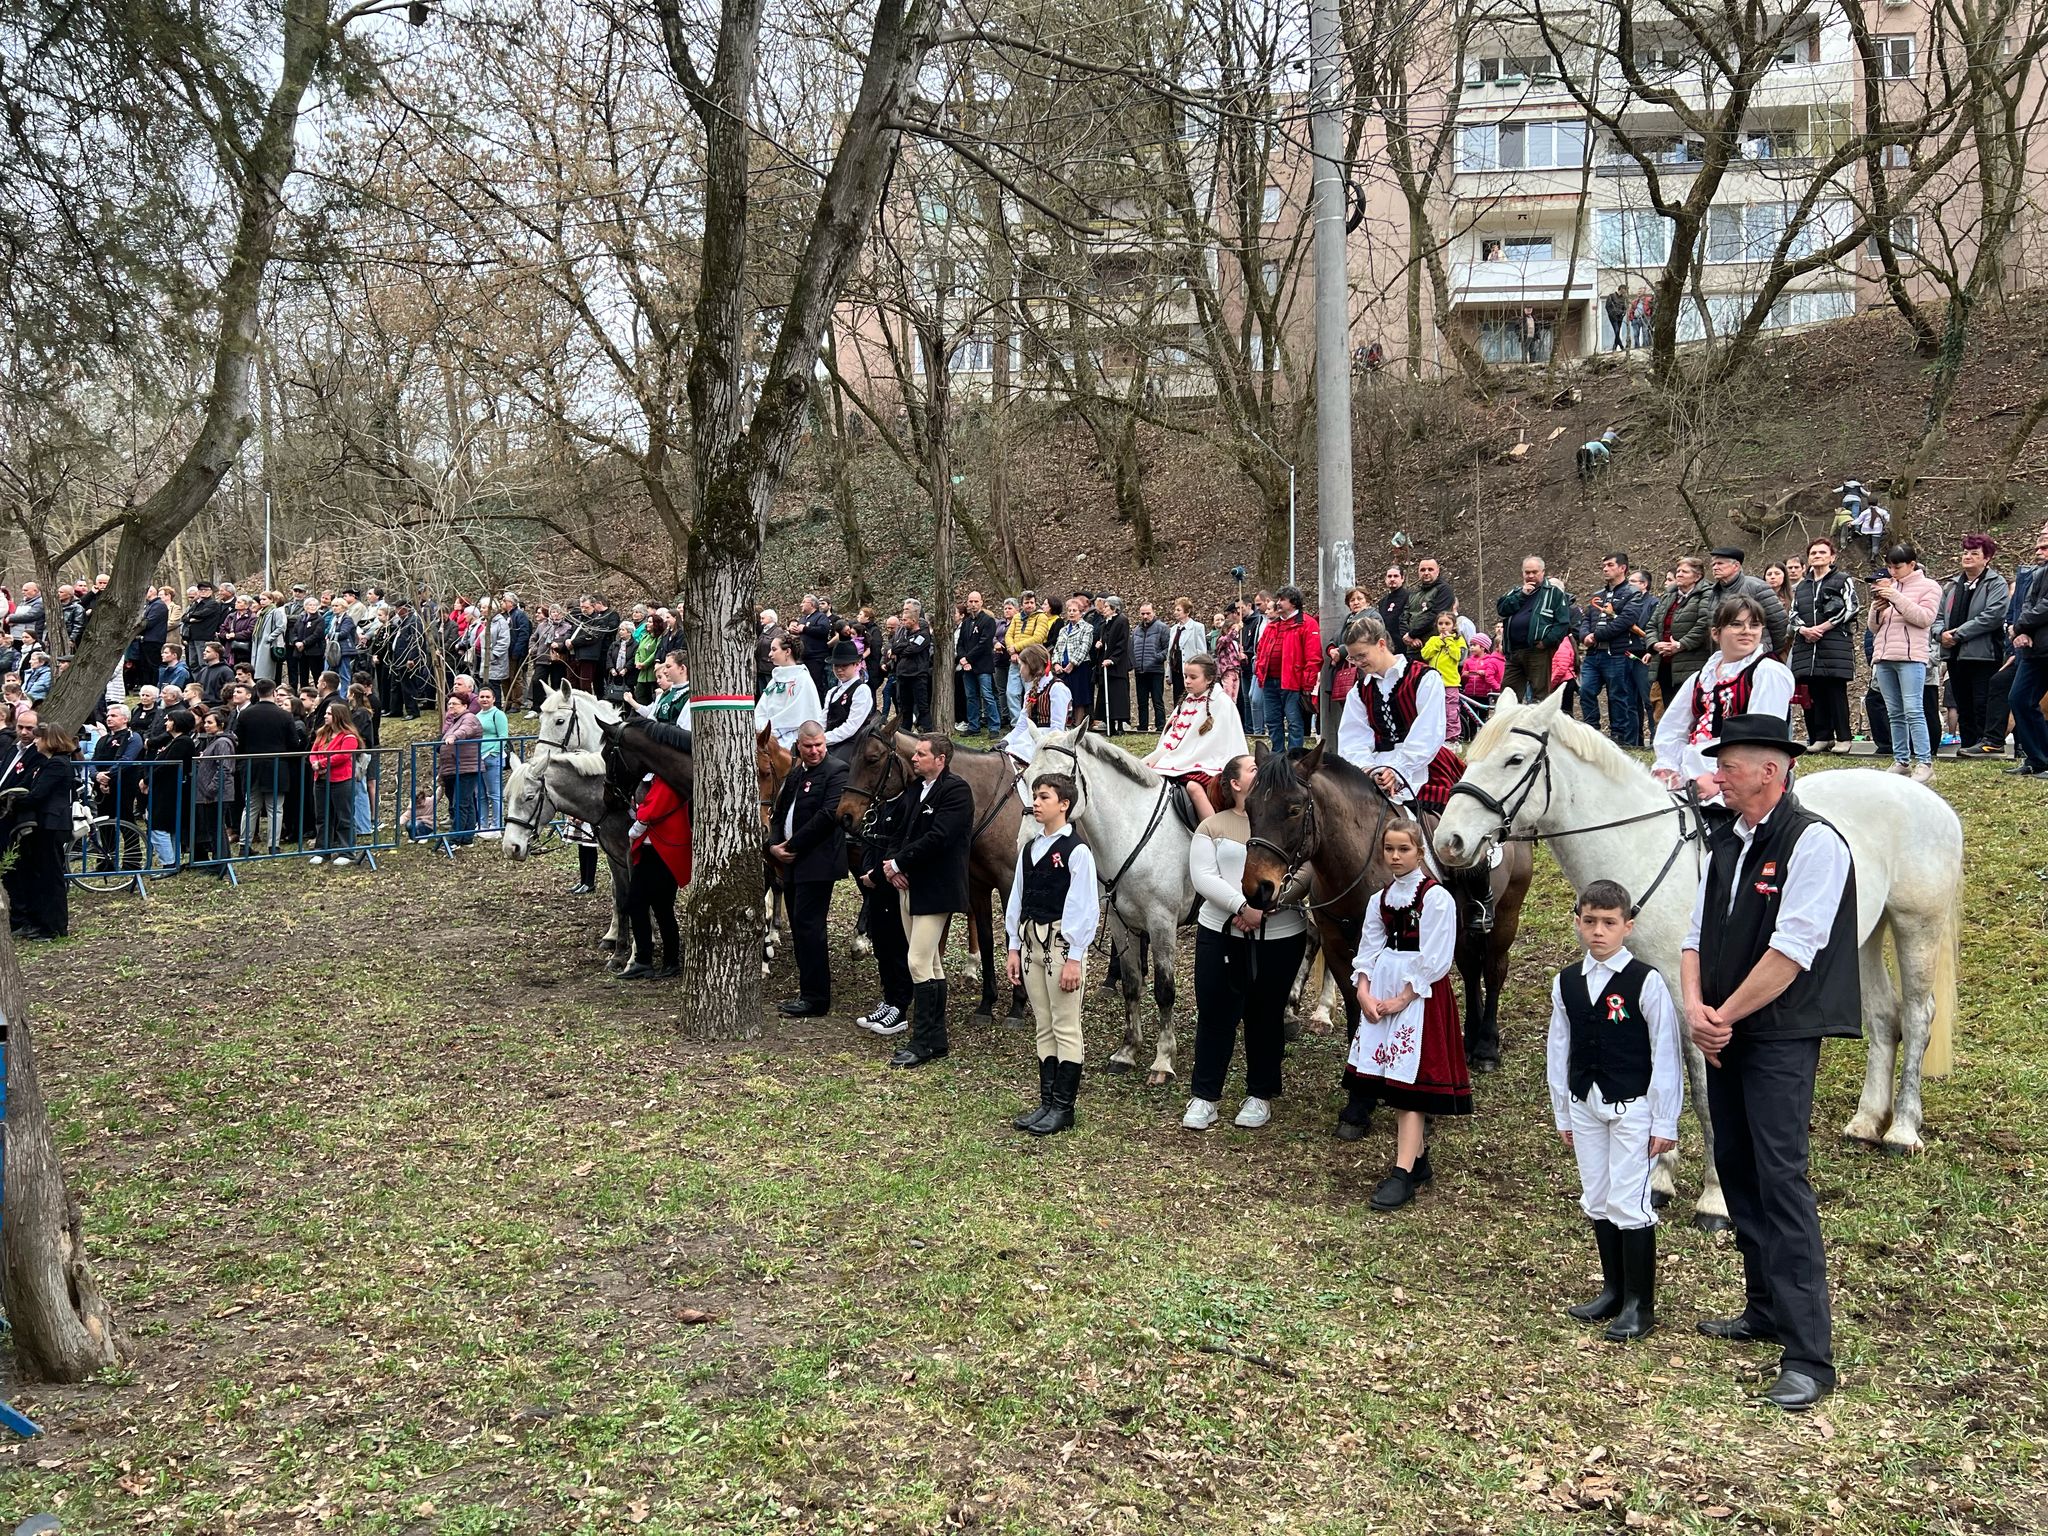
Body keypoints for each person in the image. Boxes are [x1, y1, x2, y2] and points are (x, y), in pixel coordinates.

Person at [1682, 714, 1859, 1412]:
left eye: (1728, 765)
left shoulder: (1814, 842)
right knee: (1738, 1168)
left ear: (1769, 772)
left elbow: (1792, 953)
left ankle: (1810, 1357)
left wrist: (1721, 1017)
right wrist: (1697, 1006)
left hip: (1778, 1035)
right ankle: (1763, 1308)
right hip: (1723, 1031)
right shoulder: (1725, 839)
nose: (1716, 775)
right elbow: (1696, 933)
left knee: (1782, 1179)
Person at [1545, 879, 1683, 1342]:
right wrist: (1563, 1111)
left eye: (1609, 923)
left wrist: (1665, 1119)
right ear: (1578, 922)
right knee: (1599, 1195)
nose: (1598, 932)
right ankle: (1613, 1289)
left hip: (1633, 1106)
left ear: (1628, 926)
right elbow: (1558, 1049)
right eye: (1590, 922)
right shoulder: (1566, 982)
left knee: (1630, 1199)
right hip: (1586, 1102)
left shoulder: (1646, 981)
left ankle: (1639, 1305)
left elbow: (1665, 1050)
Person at [1182, 753, 1311, 1132]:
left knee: (1266, 1015)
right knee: (1215, 1014)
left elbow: (1307, 870)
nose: (1262, 770)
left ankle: (1260, 1093)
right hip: (1221, 934)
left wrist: (1272, 904)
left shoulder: (1289, 822)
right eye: (1253, 768)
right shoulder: (1213, 825)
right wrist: (1242, 906)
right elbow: (1202, 875)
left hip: (1281, 935)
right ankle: (1205, 1096)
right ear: (1235, 783)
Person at [1347, 818, 1467, 1212]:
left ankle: (1402, 1174)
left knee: (1409, 1087)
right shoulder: (1379, 899)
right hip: (1383, 991)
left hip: (1420, 997)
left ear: (1419, 852)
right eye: (1389, 849)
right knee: (1396, 1081)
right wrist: (1364, 991)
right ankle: (1417, 1162)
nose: (1395, 857)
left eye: (1404, 849)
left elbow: (1436, 958)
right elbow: (1368, 947)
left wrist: (1402, 998)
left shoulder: (1435, 898)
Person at [1004, 772, 1099, 1136]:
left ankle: (1064, 1107)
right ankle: (1047, 1102)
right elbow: (1018, 899)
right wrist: (1013, 946)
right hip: (1031, 942)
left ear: (1064, 804)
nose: (1037, 802)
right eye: (1036, 796)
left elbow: (1084, 906)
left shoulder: (1077, 851)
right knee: (1044, 1023)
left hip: (1061, 942)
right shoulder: (1030, 848)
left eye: (1044, 797)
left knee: (1065, 1023)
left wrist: (1075, 956)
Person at [879, 734, 974, 1068]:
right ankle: (936, 1039)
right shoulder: (914, 791)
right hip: (909, 886)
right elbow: (897, 832)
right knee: (931, 963)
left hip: (937, 888)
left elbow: (940, 837)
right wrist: (891, 866)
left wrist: (900, 863)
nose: (914, 758)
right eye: (915, 753)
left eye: (921, 754)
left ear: (941, 759)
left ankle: (921, 1041)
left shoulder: (956, 791)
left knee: (917, 962)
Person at [1653, 595, 1794, 803]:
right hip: (1692, 774)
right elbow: (1672, 727)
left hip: (1743, 780)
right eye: (1736, 625)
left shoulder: (1768, 672)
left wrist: (1721, 777)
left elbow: (1760, 739)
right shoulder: (1701, 677)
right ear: (1716, 633)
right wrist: (1668, 767)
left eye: (1754, 625)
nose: (1747, 631)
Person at [1334, 611, 1463, 814]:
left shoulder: (1424, 678)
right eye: (1353, 657)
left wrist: (1399, 770)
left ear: (1382, 644)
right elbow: (1353, 739)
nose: (1358, 662)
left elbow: (1428, 731)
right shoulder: (1359, 692)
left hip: (1425, 765)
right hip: (1378, 767)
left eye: (1362, 655)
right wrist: (1368, 769)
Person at [765, 722, 849, 1017]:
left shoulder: (837, 771)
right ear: (798, 746)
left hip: (818, 863)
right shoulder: (797, 772)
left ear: (825, 743)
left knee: (810, 928)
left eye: (819, 746)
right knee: (799, 929)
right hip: (790, 863)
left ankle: (816, 998)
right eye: (808, 746)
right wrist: (773, 845)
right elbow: (780, 810)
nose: (814, 751)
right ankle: (807, 989)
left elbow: (828, 816)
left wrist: (793, 845)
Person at [1865, 541, 1942, 782]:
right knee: (1894, 711)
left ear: (1912, 564)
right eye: (1889, 567)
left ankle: (1924, 762)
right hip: (1885, 655)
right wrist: (1877, 608)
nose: (1893, 572)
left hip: (1911, 657)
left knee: (1913, 709)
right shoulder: (1889, 586)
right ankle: (1901, 760)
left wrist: (1896, 597)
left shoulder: (1929, 587)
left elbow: (1924, 618)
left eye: (1897, 567)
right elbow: (1874, 627)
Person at [1143, 655, 1249, 822]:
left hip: (1214, 765)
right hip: (1185, 761)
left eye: (1193, 677)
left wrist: (1185, 758)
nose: (1187, 681)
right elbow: (1174, 738)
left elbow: (1214, 744)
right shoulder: (1187, 701)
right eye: (1185, 676)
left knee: (1194, 787)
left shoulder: (1221, 703)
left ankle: (1214, 832)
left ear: (1209, 679)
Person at [3, 724, 79, 939]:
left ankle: (54, 927)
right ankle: (40, 922)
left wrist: (15, 801)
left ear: (48, 739)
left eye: (38, 739)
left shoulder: (57, 764)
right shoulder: (45, 764)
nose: (35, 742)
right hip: (43, 826)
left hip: (51, 825)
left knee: (50, 875)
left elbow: (37, 795)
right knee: (39, 874)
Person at [1937, 534, 2010, 756]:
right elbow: (1939, 615)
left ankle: (1984, 743)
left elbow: (1993, 616)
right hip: (1954, 655)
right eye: (1966, 552)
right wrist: (1940, 634)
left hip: (1983, 654)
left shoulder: (1995, 583)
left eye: (1974, 553)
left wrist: (1958, 634)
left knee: (1982, 702)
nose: (1967, 557)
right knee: (1962, 703)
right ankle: (1967, 744)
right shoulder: (1952, 585)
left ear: (1986, 558)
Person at [1787, 538, 1858, 750]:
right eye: (1813, 553)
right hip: (1808, 646)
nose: (1817, 556)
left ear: (1832, 557)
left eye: (1822, 552)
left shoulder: (1842, 579)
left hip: (1834, 644)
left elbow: (1852, 607)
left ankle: (1844, 737)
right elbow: (1793, 613)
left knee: (1835, 691)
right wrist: (1804, 630)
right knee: (1815, 692)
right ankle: (1822, 736)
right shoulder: (1802, 586)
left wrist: (1826, 626)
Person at [620, 772, 690, 979]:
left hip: (660, 853)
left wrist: (634, 829)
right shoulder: (663, 781)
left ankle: (649, 960)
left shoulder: (668, 782)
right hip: (657, 851)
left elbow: (650, 812)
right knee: (660, 908)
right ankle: (662, 960)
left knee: (642, 904)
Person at [1578, 551, 1648, 746]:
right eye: (1604, 566)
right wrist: (1584, 636)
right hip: (1593, 655)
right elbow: (1586, 619)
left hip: (1617, 654)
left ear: (1622, 568)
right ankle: (1591, 731)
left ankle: (1620, 738)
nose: (1605, 569)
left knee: (1618, 695)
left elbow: (1627, 620)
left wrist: (1597, 635)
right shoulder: (1597, 595)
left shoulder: (1632, 593)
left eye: (1610, 565)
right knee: (1586, 690)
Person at [1496, 556, 1573, 700]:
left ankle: (1538, 723)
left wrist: (1546, 642)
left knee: (1539, 696)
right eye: (1527, 572)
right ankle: (1510, 722)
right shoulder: (1516, 592)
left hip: (1537, 652)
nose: (1530, 576)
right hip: (1514, 652)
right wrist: (1521, 595)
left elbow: (1562, 623)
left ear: (1543, 572)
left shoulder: (1554, 593)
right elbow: (1502, 609)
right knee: (1507, 695)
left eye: (1534, 572)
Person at [1254, 585, 1319, 753]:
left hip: (1292, 683)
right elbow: (1261, 650)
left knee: (1294, 722)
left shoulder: (1307, 624)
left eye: (1282, 599)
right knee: (1272, 721)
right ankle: (1277, 755)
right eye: (1278, 599)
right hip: (1270, 682)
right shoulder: (1272, 625)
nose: (1278, 603)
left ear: (1294, 603)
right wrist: (1261, 672)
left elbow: (1313, 657)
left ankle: (1294, 757)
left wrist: (1307, 684)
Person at [2005, 524, 2048, 775]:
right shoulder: (2036, 574)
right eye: (2039, 546)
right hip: (2035, 650)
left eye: (2045, 546)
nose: (2039, 550)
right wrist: (2020, 632)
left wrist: (2020, 626)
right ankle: (2037, 758)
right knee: (2019, 698)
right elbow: (2027, 605)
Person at [1704, 547, 1791, 655]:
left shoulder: (1757, 587)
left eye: (1720, 563)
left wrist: (1770, 651)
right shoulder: (1714, 592)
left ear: (1736, 566)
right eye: (1713, 565)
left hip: (1755, 655)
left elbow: (1779, 622)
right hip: (1725, 655)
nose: (1715, 568)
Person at [305, 699, 361, 866]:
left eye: (329, 713)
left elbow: (343, 755)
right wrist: (315, 763)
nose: (325, 716)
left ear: (338, 716)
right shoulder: (322, 733)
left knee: (344, 816)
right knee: (322, 817)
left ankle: (347, 851)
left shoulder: (349, 736)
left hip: (341, 780)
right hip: (321, 780)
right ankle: (322, 850)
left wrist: (321, 763)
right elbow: (313, 751)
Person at [754, 633, 823, 749]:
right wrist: (760, 725)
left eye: (774, 649)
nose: (770, 654)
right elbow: (762, 708)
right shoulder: (774, 680)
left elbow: (797, 714)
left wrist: (771, 729)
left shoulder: (802, 679)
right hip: (766, 733)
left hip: (791, 737)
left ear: (787, 652)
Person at [1417, 608, 1466, 742]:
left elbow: (1458, 657)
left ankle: (1452, 738)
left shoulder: (1458, 640)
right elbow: (1425, 654)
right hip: (1434, 683)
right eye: (1440, 623)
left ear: (1453, 625)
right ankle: (1436, 738)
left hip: (1450, 682)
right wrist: (1439, 642)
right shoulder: (1433, 639)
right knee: (1434, 711)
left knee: (1451, 712)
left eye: (1447, 624)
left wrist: (1449, 641)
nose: (1443, 627)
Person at [889, 600, 935, 730]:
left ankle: (928, 732)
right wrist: (901, 647)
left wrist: (900, 649)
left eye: (905, 620)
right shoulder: (903, 633)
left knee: (922, 706)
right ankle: (905, 733)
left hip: (918, 676)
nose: (903, 623)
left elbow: (912, 649)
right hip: (902, 675)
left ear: (914, 621)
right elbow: (894, 646)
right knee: (904, 708)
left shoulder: (923, 635)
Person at [1128, 602, 1170, 733]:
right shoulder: (1136, 630)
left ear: (1154, 612)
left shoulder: (1162, 628)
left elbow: (1167, 648)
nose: (1145, 616)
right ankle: (1142, 727)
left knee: (1157, 700)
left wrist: (1157, 658)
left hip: (1156, 670)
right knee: (1142, 702)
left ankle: (1161, 727)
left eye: (1148, 613)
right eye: (1143, 614)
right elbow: (1132, 648)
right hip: (1140, 670)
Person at [1094, 595, 1132, 734]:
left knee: (1118, 695)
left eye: (1106, 607)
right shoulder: (1105, 623)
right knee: (1106, 694)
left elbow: (1122, 643)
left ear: (1114, 608)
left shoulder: (1122, 621)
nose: (1103, 610)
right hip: (1104, 666)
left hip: (1116, 666)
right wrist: (1100, 644)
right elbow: (1105, 640)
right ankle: (1108, 723)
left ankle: (1120, 724)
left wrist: (1113, 659)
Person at [1166, 598, 1208, 705]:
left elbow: (1201, 650)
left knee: (1191, 698)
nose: (1175, 612)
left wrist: (1201, 670)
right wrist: (1168, 672)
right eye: (1175, 610)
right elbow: (1170, 651)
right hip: (1176, 669)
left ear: (1187, 612)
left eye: (1179, 610)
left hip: (1190, 669)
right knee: (1178, 699)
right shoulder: (1174, 629)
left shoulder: (1197, 627)